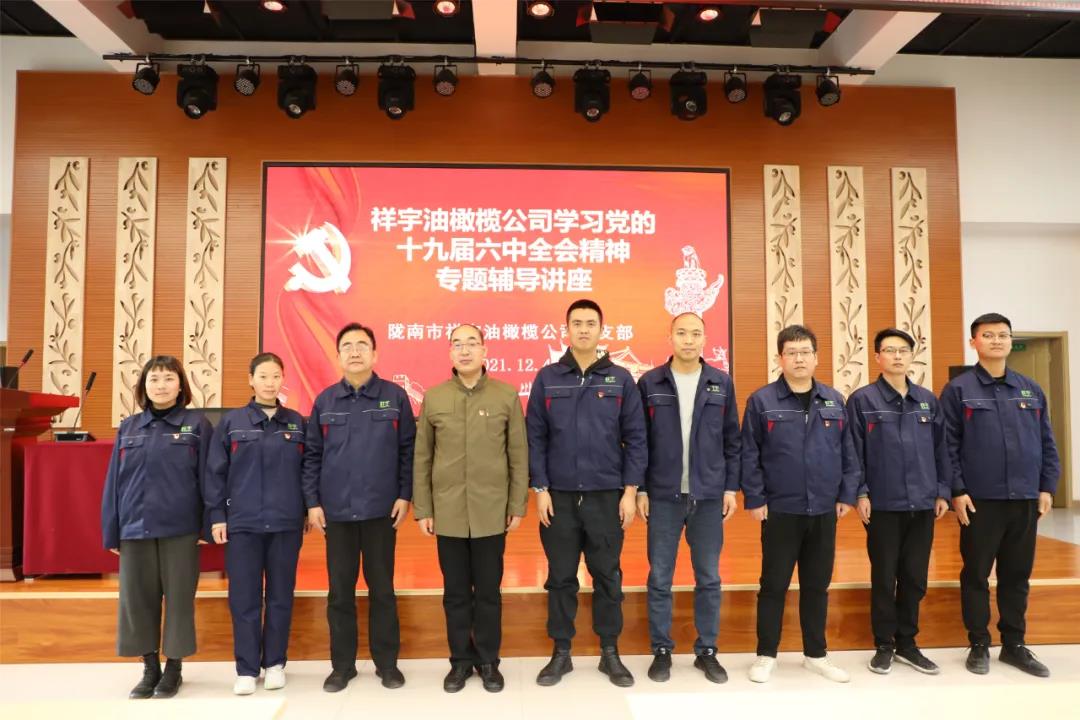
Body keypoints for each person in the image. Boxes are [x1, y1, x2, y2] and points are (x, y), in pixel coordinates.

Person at [527, 298, 647, 688]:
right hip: (559, 499)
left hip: (606, 497)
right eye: (576, 323)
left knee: (607, 576)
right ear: (566, 330)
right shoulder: (548, 378)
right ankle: (561, 652)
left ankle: (609, 652)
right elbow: (535, 438)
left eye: (590, 323)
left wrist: (630, 491)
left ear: (600, 330)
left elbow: (636, 438)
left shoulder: (620, 379)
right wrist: (540, 488)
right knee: (561, 577)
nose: (583, 329)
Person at [941, 312, 1060, 677]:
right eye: (988, 335)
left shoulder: (1030, 389)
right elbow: (947, 445)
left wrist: (1047, 486)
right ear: (973, 342)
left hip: (1024, 499)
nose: (996, 340)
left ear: (1011, 340)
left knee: (1016, 575)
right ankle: (979, 643)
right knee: (976, 574)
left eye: (1003, 335)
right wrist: (957, 490)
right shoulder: (959, 390)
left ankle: (1014, 644)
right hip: (980, 501)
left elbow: (1046, 441)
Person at [413, 324, 529, 693]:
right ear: (450, 352)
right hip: (447, 512)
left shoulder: (506, 395)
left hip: (491, 511)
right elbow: (422, 457)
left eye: (472, 344)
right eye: (457, 344)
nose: (465, 351)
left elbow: (518, 455)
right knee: (456, 593)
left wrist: (517, 504)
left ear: (484, 350)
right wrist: (423, 508)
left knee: (489, 592)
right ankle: (460, 661)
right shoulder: (434, 398)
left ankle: (489, 661)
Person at [740, 324, 859, 684]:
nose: (799, 359)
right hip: (780, 509)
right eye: (791, 353)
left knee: (816, 585)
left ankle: (816, 654)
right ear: (780, 358)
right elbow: (749, 454)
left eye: (805, 352)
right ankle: (766, 655)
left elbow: (848, 452)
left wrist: (847, 494)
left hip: (824, 509)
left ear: (816, 357)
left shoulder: (834, 400)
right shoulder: (762, 401)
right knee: (773, 585)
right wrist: (756, 498)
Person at [304, 323, 416, 692]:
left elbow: (408, 451)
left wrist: (405, 495)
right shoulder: (325, 401)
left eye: (362, 345)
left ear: (375, 354)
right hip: (336, 513)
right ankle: (342, 666)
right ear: (338, 356)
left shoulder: (395, 397)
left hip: (382, 511)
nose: (355, 352)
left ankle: (387, 664)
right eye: (347, 346)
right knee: (340, 592)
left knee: (382, 589)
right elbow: (312, 456)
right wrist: (312, 503)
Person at [636, 312, 740, 684]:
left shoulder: (720, 382)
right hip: (663, 496)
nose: (689, 340)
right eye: (682, 333)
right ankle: (661, 650)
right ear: (670, 337)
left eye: (696, 333)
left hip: (708, 496)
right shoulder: (650, 382)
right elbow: (639, 441)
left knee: (709, 577)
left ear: (705, 339)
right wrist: (641, 489)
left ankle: (706, 650)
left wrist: (730, 488)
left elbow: (732, 441)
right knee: (660, 577)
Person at [101, 355, 212, 699]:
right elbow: (114, 483)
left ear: (180, 386)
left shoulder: (197, 425)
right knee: (137, 601)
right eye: (154, 379)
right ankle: (150, 668)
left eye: (168, 378)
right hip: (135, 527)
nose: (161, 385)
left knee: (179, 601)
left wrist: (207, 526)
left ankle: (174, 669)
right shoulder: (130, 427)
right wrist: (112, 529)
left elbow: (210, 478)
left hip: (181, 528)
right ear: (143, 386)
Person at [847, 328, 950, 675]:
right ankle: (884, 645)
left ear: (911, 356)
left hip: (922, 503)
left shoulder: (927, 400)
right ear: (877, 357)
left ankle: (908, 643)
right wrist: (861, 492)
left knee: (915, 576)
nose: (897, 356)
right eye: (890, 350)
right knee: (884, 575)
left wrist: (942, 490)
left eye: (903, 350)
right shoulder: (862, 400)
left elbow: (942, 449)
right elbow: (853, 452)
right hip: (882, 505)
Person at [204, 352, 307, 694]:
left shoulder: (296, 423)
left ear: (282, 380)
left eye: (275, 376)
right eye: (263, 376)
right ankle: (247, 668)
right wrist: (217, 517)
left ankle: (275, 663)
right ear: (250, 380)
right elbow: (215, 474)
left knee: (280, 596)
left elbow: (308, 471)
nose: (269, 382)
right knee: (244, 598)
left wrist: (307, 510)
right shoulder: (232, 423)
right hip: (243, 524)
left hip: (285, 524)